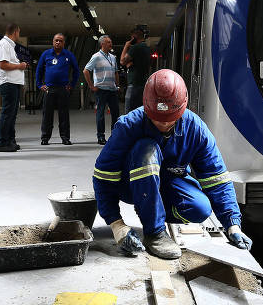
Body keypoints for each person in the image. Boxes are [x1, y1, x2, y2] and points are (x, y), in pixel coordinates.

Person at [92, 69, 252, 260]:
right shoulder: (129, 126)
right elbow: (103, 177)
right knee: (146, 149)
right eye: (157, 118)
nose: (163, 124)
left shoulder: (196, 129)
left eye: (170, 118)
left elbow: (216, 178)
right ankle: (155, 233)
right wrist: (117, 225)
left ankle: (152, 210)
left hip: (169, 183)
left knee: (200, 209)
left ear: (182, 107)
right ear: (146, 106)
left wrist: (232, 223)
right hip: (132, 185)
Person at [35, 33, 79, 146]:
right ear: (53, 42)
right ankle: (45, 138)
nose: (58, 42)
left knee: (64, 115)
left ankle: (65, 137)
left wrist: (72, 85)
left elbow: (76, 71)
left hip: (63, 89)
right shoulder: (46, 54)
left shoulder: (69, 55)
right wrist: (40, 85)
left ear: (64, 43)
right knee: (47, 115)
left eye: (60, 41)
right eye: (56, 40)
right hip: (49, 89)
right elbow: (39, 70)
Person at [0, 23, 27, 152]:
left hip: (12, 83)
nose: (19, 35)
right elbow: (3, 65)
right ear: (15, 32)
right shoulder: (4, 45)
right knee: (7, 114)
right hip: (8, 83)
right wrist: (20, 66)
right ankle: (1, 143)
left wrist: (20, 65)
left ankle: (9, 141)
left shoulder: (9, 45)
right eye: (19, 32)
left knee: (11, 114)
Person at [84, 35, 120, 145]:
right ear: (102, 44)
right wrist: (91, 86)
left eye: (111, 42)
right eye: (108, 42)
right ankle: (101, 136)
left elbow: (116, 72)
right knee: (100, 114)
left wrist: (117, 85)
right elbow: (85, 71)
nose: (111, 44)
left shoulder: (113, 57)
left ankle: (115, 136)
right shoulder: (96, 56)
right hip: (101, 90)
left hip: (112, 89)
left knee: (115, 113)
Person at [120, 25, 152, 113]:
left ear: (134, 37)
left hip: (134, 85)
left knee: (129, 113)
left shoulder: (135, 48)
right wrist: (130, 65)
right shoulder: (147, 48)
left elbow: (122, 61)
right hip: (143, 85)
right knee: (140, 112)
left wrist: (126, 46)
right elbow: (132, 64)